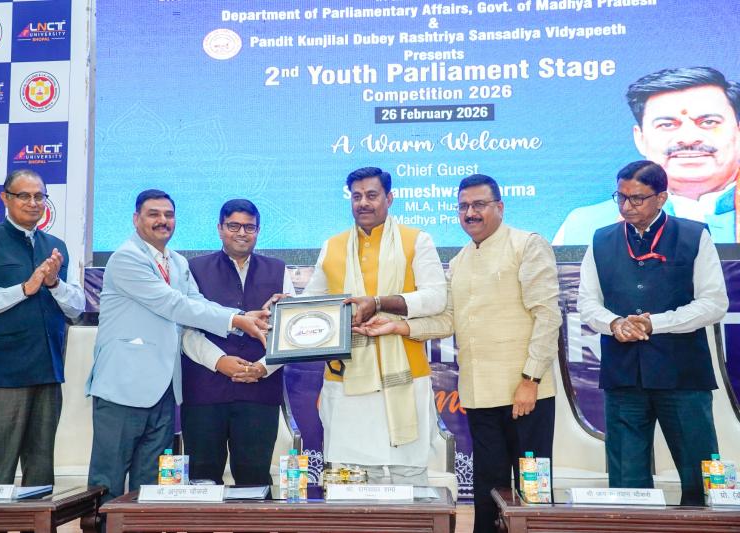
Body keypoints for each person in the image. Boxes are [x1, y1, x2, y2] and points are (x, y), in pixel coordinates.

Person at [356, 174, 560, 532]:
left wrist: (531, 379)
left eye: (479, 204)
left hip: (525, 394)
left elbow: (547, 316)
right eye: (463, 206)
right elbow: (448, 320)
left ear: (500, 207)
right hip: (480, 395)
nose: (470, 213)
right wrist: (398, 327)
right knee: (487, 491)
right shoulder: (460, 259)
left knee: (533, 494)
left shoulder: (527, 245)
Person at [86, 189, 269, 503]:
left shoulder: (178, 262)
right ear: (136, 219)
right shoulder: (126, 258)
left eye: (168, 215)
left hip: (164, 389)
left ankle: (139, 527)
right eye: (154, 214)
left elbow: (196, 302)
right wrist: (237, 320)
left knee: (150, 483)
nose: (163, 221)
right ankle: (102, 525)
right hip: (123, 386)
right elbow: (173, 304)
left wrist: (241, 316)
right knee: (109, 479)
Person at [578, 160, 729, 505]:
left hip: (683, 375)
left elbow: (714, 303)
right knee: (626, 482)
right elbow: (587, 302)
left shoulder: (694, 235)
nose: (627, 206)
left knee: (701, 475)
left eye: (637, 198)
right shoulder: (601, 239)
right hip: (623, 376)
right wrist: (614, 324)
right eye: (621, 197)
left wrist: (654, 323)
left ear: (661, 198)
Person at [301, 166, 447, 486]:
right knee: (350, 477)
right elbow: (313, 304)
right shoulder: (332, 246)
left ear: (389, 198)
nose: (363, 203)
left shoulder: (416, 241)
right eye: (356, 196)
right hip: (347, 379)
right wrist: (289, 307)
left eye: (371, 195)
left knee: (408, 475)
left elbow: (436, 298)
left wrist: (379, 303)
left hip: (405, 375)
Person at [0, 169, 85, 485]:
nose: (33, 202)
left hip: (47, 374)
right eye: (24, 195)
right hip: (0, 377)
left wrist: (53, 283)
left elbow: (77, 308)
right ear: (5, 198)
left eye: (39, 196)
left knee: (41, 478)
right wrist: (24, 289)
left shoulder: (56, 247)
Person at [555, 66, 740, 244]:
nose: (688, 138)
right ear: (640, 138)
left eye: (708, 122)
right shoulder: (584, 227)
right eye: (667, 125)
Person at [180, 199, 295, 484]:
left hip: (260, 391)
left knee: (255, 480)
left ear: (258, 231)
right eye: (233, 226)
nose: (242, 233)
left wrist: (263, 367)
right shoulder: (193, 269)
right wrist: (220, 362)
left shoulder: (278, 270)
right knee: (202, 481)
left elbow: (289, 332)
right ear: (220, 228)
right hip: (205, 392)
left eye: (249, 227)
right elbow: (186, 330)